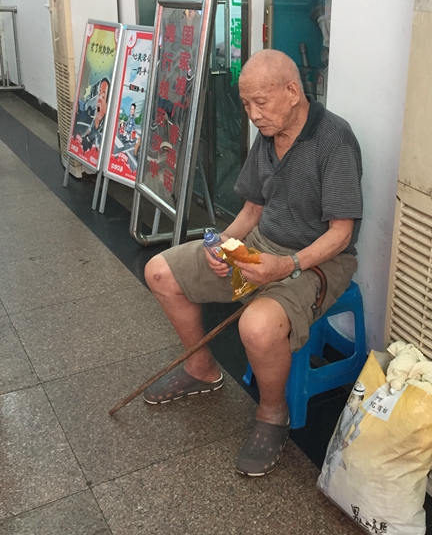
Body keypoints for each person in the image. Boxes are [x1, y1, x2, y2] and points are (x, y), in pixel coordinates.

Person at [144, 49, 363, 477]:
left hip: (317, 260)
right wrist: (220, 244)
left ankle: (273, 412)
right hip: (262, 244)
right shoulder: (268, 134)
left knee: (256, 326)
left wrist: (287, 266)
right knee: (160, 272)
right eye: (245, 104)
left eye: (260, 102)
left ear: (292, 92)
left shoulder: (334, 140)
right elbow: (252, 209)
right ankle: (200, 367)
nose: (252, 114)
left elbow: (341, 234)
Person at [81, 77, 109, 151]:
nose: (99, 99)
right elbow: (88, 131)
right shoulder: (94, 121)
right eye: (99, 94)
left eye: (103, 96)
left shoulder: (105, 129)